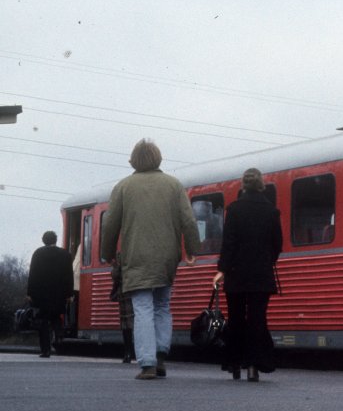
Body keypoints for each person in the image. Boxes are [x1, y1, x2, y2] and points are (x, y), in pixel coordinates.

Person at [100, 139, 200, 380]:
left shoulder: (123, 187)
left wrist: (107, 253)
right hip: (167, 256)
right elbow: (188, 220)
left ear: (133, 160)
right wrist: (192, 250)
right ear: (158, 158)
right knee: (162, 306)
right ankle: (161, 354)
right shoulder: (174, 185)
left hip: (136, 255)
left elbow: (110, 224)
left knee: (142, 308)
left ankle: (147, 363)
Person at [212, 168, 282, 383]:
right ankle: (254, 366)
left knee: (236, 319)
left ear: (243, 185)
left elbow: (229, 244)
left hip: (236, 274)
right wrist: (266, 261)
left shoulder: (234, 210)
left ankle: (234, 363)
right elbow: (277, 244)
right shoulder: (271, 211)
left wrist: (222, 269)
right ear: (262, 185)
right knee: (257, 319)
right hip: (261, 274)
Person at [26, 231, 74, 358]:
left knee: (43, 321)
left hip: (41, 294)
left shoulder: (38, 253)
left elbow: (33, 274)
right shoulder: (65, 255)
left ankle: (46, 350)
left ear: (43, 240)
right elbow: (69, 276)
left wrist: (30, 292)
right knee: (56, 316)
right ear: (56, 240)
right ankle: (59, 336)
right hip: (59, 293)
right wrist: (69, 294)